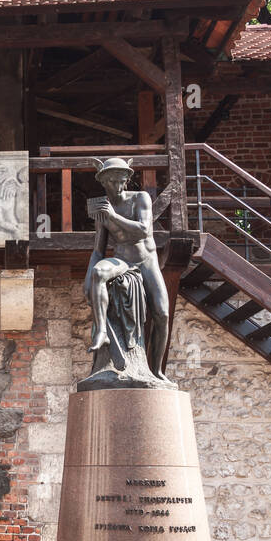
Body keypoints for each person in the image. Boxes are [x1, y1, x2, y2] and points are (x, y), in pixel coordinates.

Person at [83, 157, 170, 382]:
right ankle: (102, 331)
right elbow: (98, 250)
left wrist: (113, 216)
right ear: (104, 182)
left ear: (128, 180)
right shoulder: (102, 209)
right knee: (99, 273)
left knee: (162, 313)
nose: (118, 186)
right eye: (112, 181)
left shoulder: (140, 199)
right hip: (122, 260)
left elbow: (143, 230)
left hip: (145, 261)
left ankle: (158, 369)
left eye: (122, 180)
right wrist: (88, 276)